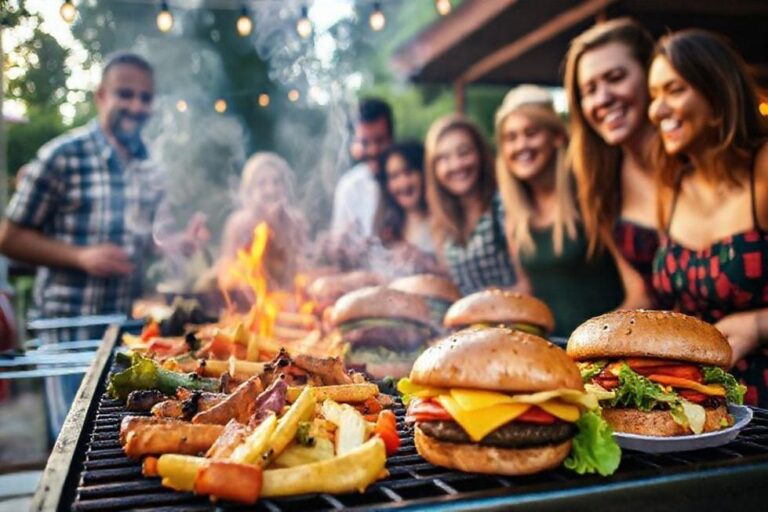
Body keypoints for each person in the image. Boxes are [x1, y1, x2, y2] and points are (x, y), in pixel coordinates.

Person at [0, 52, 197, 434]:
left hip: (129, 331)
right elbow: (9, 237)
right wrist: (81, 257)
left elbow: (148, 238)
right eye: (125, 94)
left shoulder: (151, 166)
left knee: (115, 437)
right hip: (70, 328)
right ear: (101, 96)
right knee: (73, 438)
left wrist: (175, 243)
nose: (136, 106)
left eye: (145, 98)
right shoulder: (61, 156)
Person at [647, 30, 768, 406]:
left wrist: (759, 324)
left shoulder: (762, 169)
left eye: (674, 90)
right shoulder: (671, 186)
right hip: (697, 403)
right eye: (653, 96)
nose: (657, 110)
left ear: (718, 95)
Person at [495, 85, 624, 337]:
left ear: (557, 137)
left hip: (607, 352)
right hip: (551, 352)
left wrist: (599, 342)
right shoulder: (515, 215)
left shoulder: (589, 195)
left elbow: (639, 290)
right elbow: (528, 289)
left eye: (531, 133)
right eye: (510, 138)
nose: (521, 145)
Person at [564, 18, 658, 307]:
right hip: (661, 345)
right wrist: (582, 346)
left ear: (650, 75)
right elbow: (642, 295)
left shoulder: (699, 159)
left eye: (615, 77)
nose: (602, 98)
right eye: (589, 90)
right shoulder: (602, 181)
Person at [425, 114, 517, 295]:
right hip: (467, 322)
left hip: (516, 319)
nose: (456, 165)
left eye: (464, 152)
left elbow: (528, 284)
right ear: (433, 168)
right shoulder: (441, 224)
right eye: (443, 158)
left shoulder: (505, 205)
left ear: (481, 154)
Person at [215, 152, 308, 291]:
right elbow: (226, 272)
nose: (270, 190)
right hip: (249, 300)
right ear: (250, 190)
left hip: (289, 299)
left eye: (277, 182)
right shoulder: (238, 224)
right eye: (261, 183)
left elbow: (304, 267)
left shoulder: (295, 221)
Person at [373, 140, 441, 276]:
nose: (403, 183)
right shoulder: (387, 228)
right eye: (394, 176)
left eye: (409, 172)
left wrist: (425, 262)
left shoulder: (442, 221)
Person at [331, 97, 394, 239]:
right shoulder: (349, 186)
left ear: (392, 138)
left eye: (380, 141)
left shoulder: (409, 180)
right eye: (365, 143)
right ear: (354, 143)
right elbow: (338, 242)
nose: (373, 150)